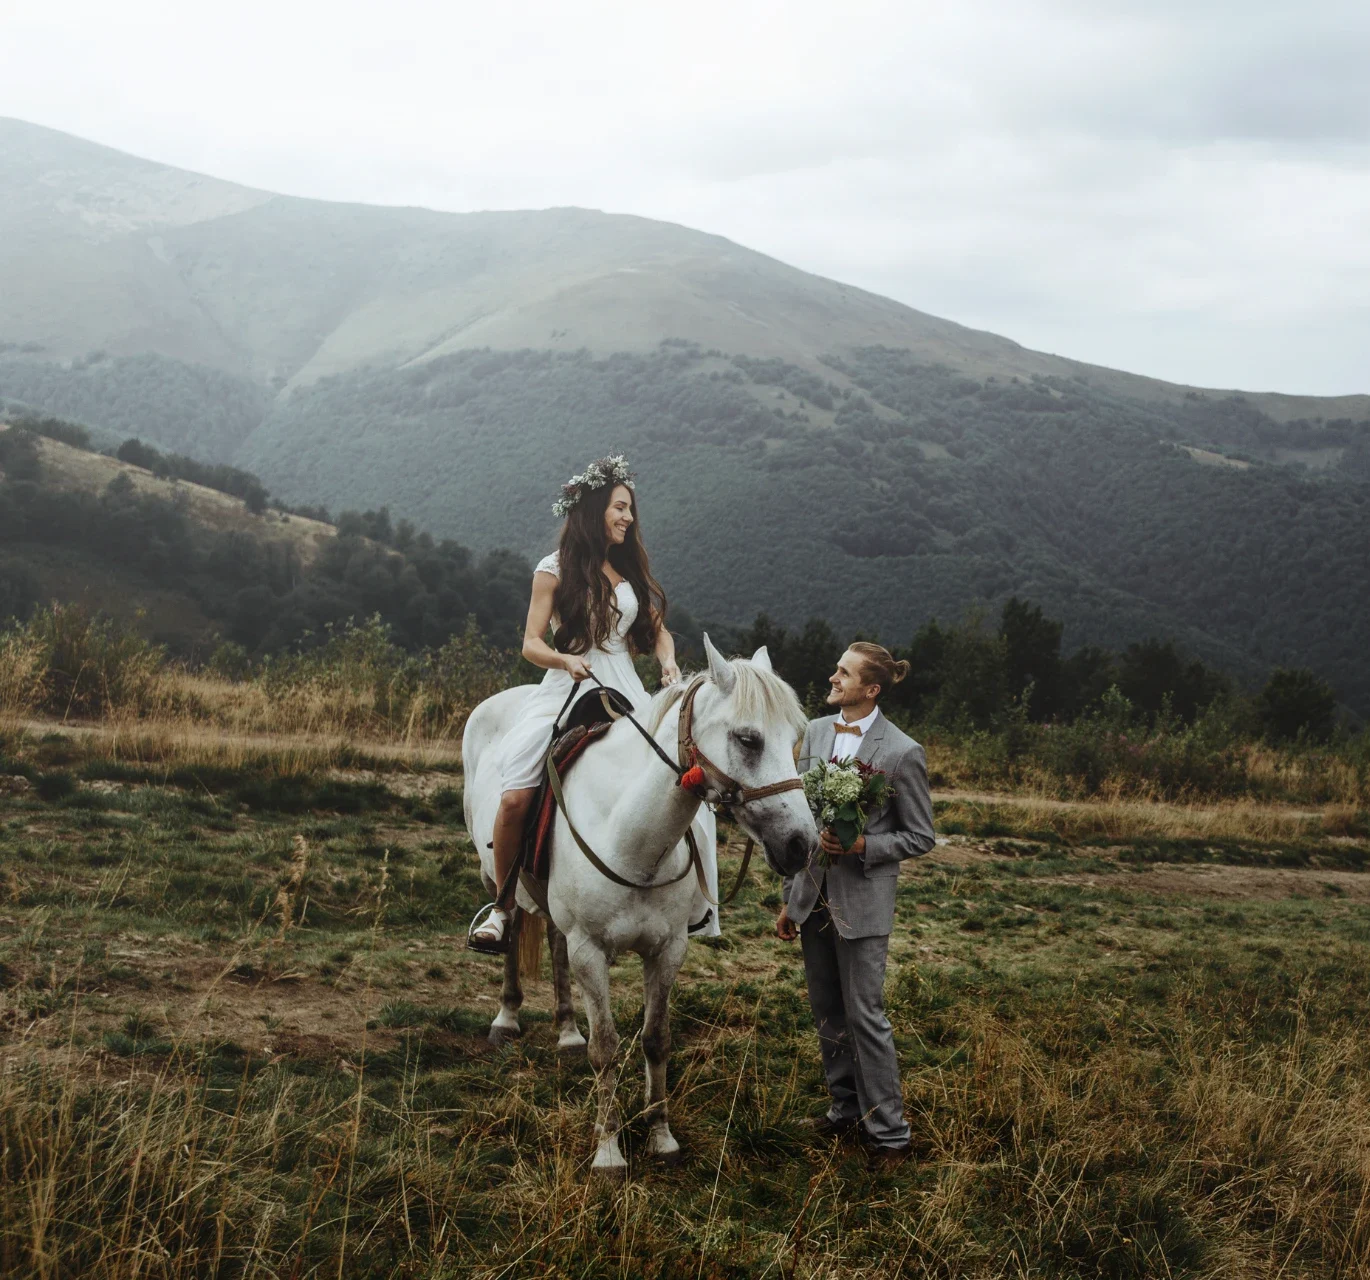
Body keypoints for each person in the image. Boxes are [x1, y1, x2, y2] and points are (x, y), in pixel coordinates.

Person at [468, 456, 684, 952]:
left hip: (625, 688)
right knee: (516, 793)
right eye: (620, 508)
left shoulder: (627, 568)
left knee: (679, 776)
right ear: (593, 510)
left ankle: (695, 903)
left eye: (630, 510)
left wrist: (668, 662)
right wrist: (565, 662)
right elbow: (530, 643)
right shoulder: (553, 569)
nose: (629, 518)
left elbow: (657, 632)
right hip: (567, 686)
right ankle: (502, 907)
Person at [776, 642, 936, 1165]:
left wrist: (865, 845)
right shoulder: (818, 733)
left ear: (871, 689)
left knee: (866, 1015)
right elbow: (801, 819)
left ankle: (890, 1135)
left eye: (844, 673)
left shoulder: (901, 752)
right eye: (837, 669)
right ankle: (845, 1112)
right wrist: (790, 902)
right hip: (812, 896)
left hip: (863, 901)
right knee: (827, 1011)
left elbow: (920, 836)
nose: (833, 676)